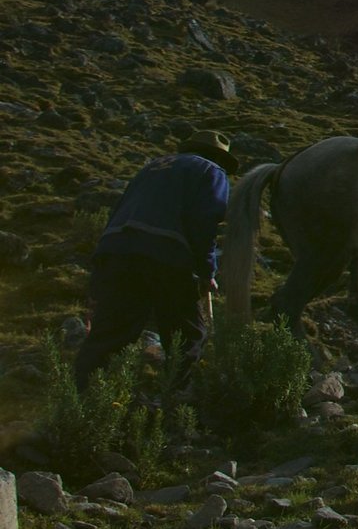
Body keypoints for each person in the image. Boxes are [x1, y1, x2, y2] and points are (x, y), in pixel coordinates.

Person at [74, 130, 237, 390]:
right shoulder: (211, 171)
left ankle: (80, 396)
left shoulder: (151, 167)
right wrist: (207, 272)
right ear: (218, 156)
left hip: (117, 250)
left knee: (111, 332)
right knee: (187, 334)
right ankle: (175, 398)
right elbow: (205, 223)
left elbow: (120, 208)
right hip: (165, 254)